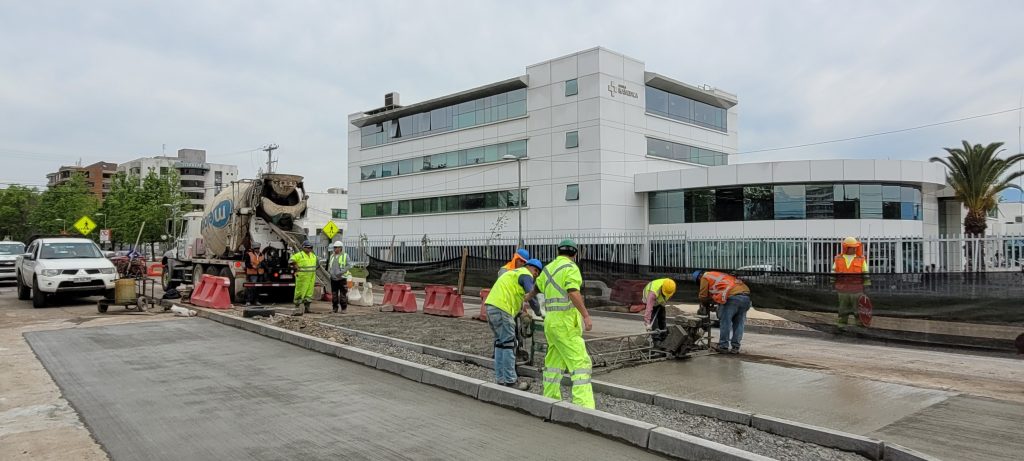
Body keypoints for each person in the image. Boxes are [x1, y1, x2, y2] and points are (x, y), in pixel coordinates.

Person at [527, 239, 595, 409]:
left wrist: (525, 298)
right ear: (575, 254)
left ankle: (549, 399)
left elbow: (537, 287)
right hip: (565, 323)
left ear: (558, 252)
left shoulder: (549, 268)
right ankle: (584, 406)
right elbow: (573, 291)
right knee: (580, 363)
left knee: (554, 363)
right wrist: (585, 315)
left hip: (551, 322)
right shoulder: (571, 268)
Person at [484, 258, 543, 391]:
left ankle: (500, 379)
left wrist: (521, 312)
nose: (536, 275)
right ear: (531, 268)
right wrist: (539, 312)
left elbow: (517, 297)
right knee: (510, 344)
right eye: (536, 272)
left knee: (500, 343)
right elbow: (531, 295)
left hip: (491, 307)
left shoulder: (512, 274)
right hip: (502, 309)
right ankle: (511, 381)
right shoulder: (525, 274)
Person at [693, 270, 751, 354]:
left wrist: (705, 306)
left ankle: (723, 346)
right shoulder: (720, 276)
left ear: (699, 278)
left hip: (732, 298)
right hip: (746, 297)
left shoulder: (705, 276)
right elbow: (722, 290)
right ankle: (735, 347)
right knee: (739, 323)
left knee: (725, 322)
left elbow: (703, 296)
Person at [832, 236, 870, 328]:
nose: (854, 248)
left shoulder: (861, 259)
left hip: (856, 290)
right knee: (842, 310)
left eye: (855, 246)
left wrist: (867, 286)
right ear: (846, 247)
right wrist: (832, 285)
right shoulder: (838, 259)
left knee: (858, 310)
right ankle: (841, 327)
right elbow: (833, 272)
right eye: (852, 247)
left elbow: (865, 273)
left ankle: (860, 327)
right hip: (842, 290)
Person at [290, 241, 318, 313]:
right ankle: (297, 308)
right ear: (303, 247)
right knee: (300, 292)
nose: (309, 249)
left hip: (311, 277)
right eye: (307, 247)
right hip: (302, 277)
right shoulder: (299, 255)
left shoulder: (313, 256)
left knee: (309, 293)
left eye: (310, 247)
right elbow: (291, 260)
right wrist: (295, 265)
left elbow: (317, 265)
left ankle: (307, 308)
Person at [326, 241, 352, 313]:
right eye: (334, 247)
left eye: (336, 247)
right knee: (334, 294)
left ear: (340, 248)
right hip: (333, 278)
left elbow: (349, 265)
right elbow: (329, 266)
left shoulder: (345, 255)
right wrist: (330, 272)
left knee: (343, 294)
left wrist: (341, 272)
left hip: (342, 278)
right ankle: (335, 308)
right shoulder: (332, 256)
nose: (335, 249)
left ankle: (344, 308)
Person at [244, 242, 265, 306]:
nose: (257, 250)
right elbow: (247, 264)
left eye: (258, 248)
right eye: (256, 248)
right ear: (253, 248)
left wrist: (264, 266)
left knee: (258, 288)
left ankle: (256, 301)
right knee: (251, 287)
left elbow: (264, 263)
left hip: (260, 273)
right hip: (252, 273)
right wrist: (253, 267)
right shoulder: (249, 254)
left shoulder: (262, 255)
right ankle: (248, 301)